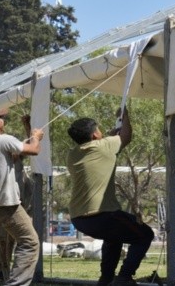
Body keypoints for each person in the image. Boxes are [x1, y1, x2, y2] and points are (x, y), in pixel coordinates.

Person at [67, 108, 155, 286]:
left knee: (114, 238)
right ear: (93, 136)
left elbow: (102, 153)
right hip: (103, 214)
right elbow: (127, 136)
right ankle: (124, 277)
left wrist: (109, 139)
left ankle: (106, 279)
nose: (101, 132)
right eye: (98, 129)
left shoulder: (73, 154)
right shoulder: (104, 145)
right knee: (145, 235)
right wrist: (125, 117)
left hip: (79, 219)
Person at [0, 105, 44, 286]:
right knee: (29, 242)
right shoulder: (2, 140)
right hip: (6, 204)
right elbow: (33, 149)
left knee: (13, 240)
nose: (4, 119)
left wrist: (29, 130)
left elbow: (19, 152)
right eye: (1, 117)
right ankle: (12, 281)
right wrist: (36, 137)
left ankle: (3, 275)